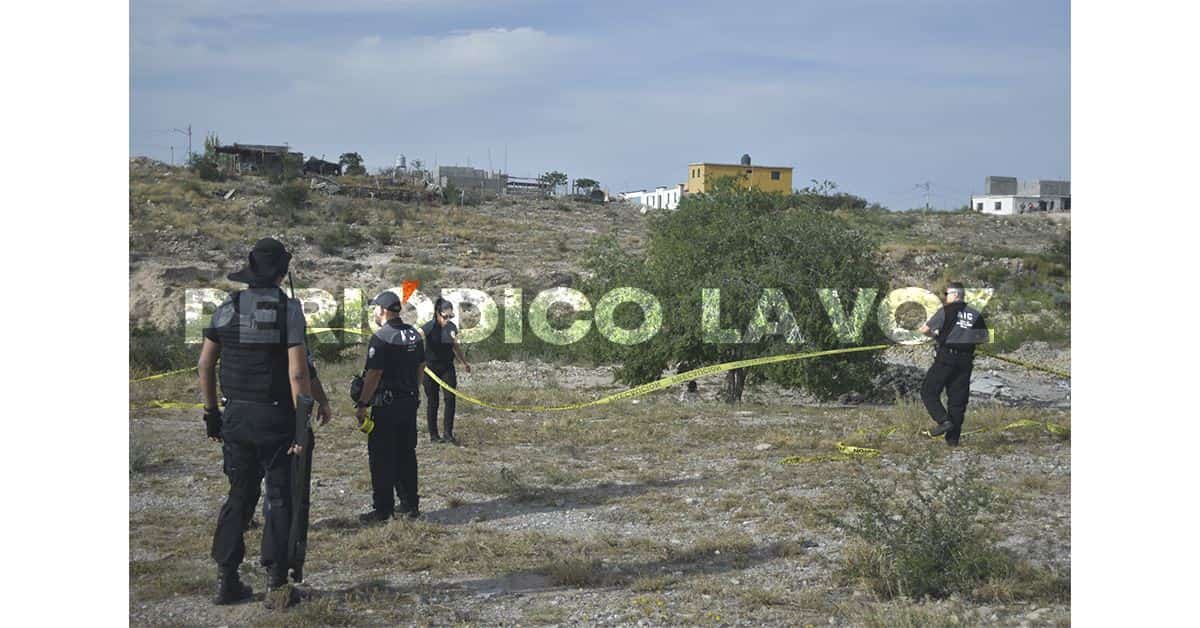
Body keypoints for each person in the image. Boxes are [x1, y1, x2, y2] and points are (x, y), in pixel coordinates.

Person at [198, 238, 321, 608]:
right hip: (276, 417)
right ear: (282, 273)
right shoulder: (289, 310)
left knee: (239, 495)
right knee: (281, 497)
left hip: (236, 415)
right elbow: (298, 374)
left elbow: (205, 365)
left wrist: (211, 414)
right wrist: (302, 427)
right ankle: (276, 582)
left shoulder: (227, 307)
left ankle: (226, 579)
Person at [355, 290, 427, 522]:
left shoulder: (382, 337)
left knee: (382, 457)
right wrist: (414, 391)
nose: (374, 312)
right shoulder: (415, 335)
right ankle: (410, 504)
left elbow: (375, 373)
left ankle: (383, 509)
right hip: (409, 402)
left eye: (375, 308)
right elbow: (421, 366)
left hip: (386, 406)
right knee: (406, 454)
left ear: (383, 311)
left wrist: (362, 403)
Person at [918, 281, 990, 446]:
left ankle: (943, 421)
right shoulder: (974, 313)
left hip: (946, 357)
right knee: (957, 401)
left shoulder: (946, 311)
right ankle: (953, 441)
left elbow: (924, 330)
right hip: (965, 360)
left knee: (928, 391)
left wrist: (936, 336)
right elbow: (985, 337)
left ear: (955, 295)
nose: (945, 298)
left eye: (947, 294)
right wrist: (965, 337)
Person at [420, 297, 471, 444]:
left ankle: (448, 434)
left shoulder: (452, 327)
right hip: (430, 369)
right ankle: (434, 436)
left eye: (451, 316)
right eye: (445, 316)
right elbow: (416, 337)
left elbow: (455, 346)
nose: (447, 319)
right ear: (437, 314)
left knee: (450, 399)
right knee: (433, 401)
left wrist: (464, 362)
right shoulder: (429, 327)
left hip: (447, 367)